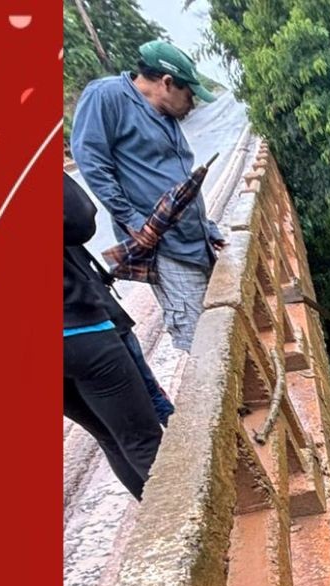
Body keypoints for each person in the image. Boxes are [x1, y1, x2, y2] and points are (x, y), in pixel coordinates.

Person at [69, 39, 226, 352]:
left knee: (219, 324)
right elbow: (91, 161)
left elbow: (179, 180)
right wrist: (131, 220)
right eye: (190, 94)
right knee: (200, 340)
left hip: (196, 241)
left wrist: (207, 228)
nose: (192, 104)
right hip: (168, 249)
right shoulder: (108, 96)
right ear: (167, 83)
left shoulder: (165, 115)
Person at [66, 174, 162, 501]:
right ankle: (203, 536)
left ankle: (165, 530)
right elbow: (79, 218)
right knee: (143, 441)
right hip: (76, 327)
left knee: (110, 437)